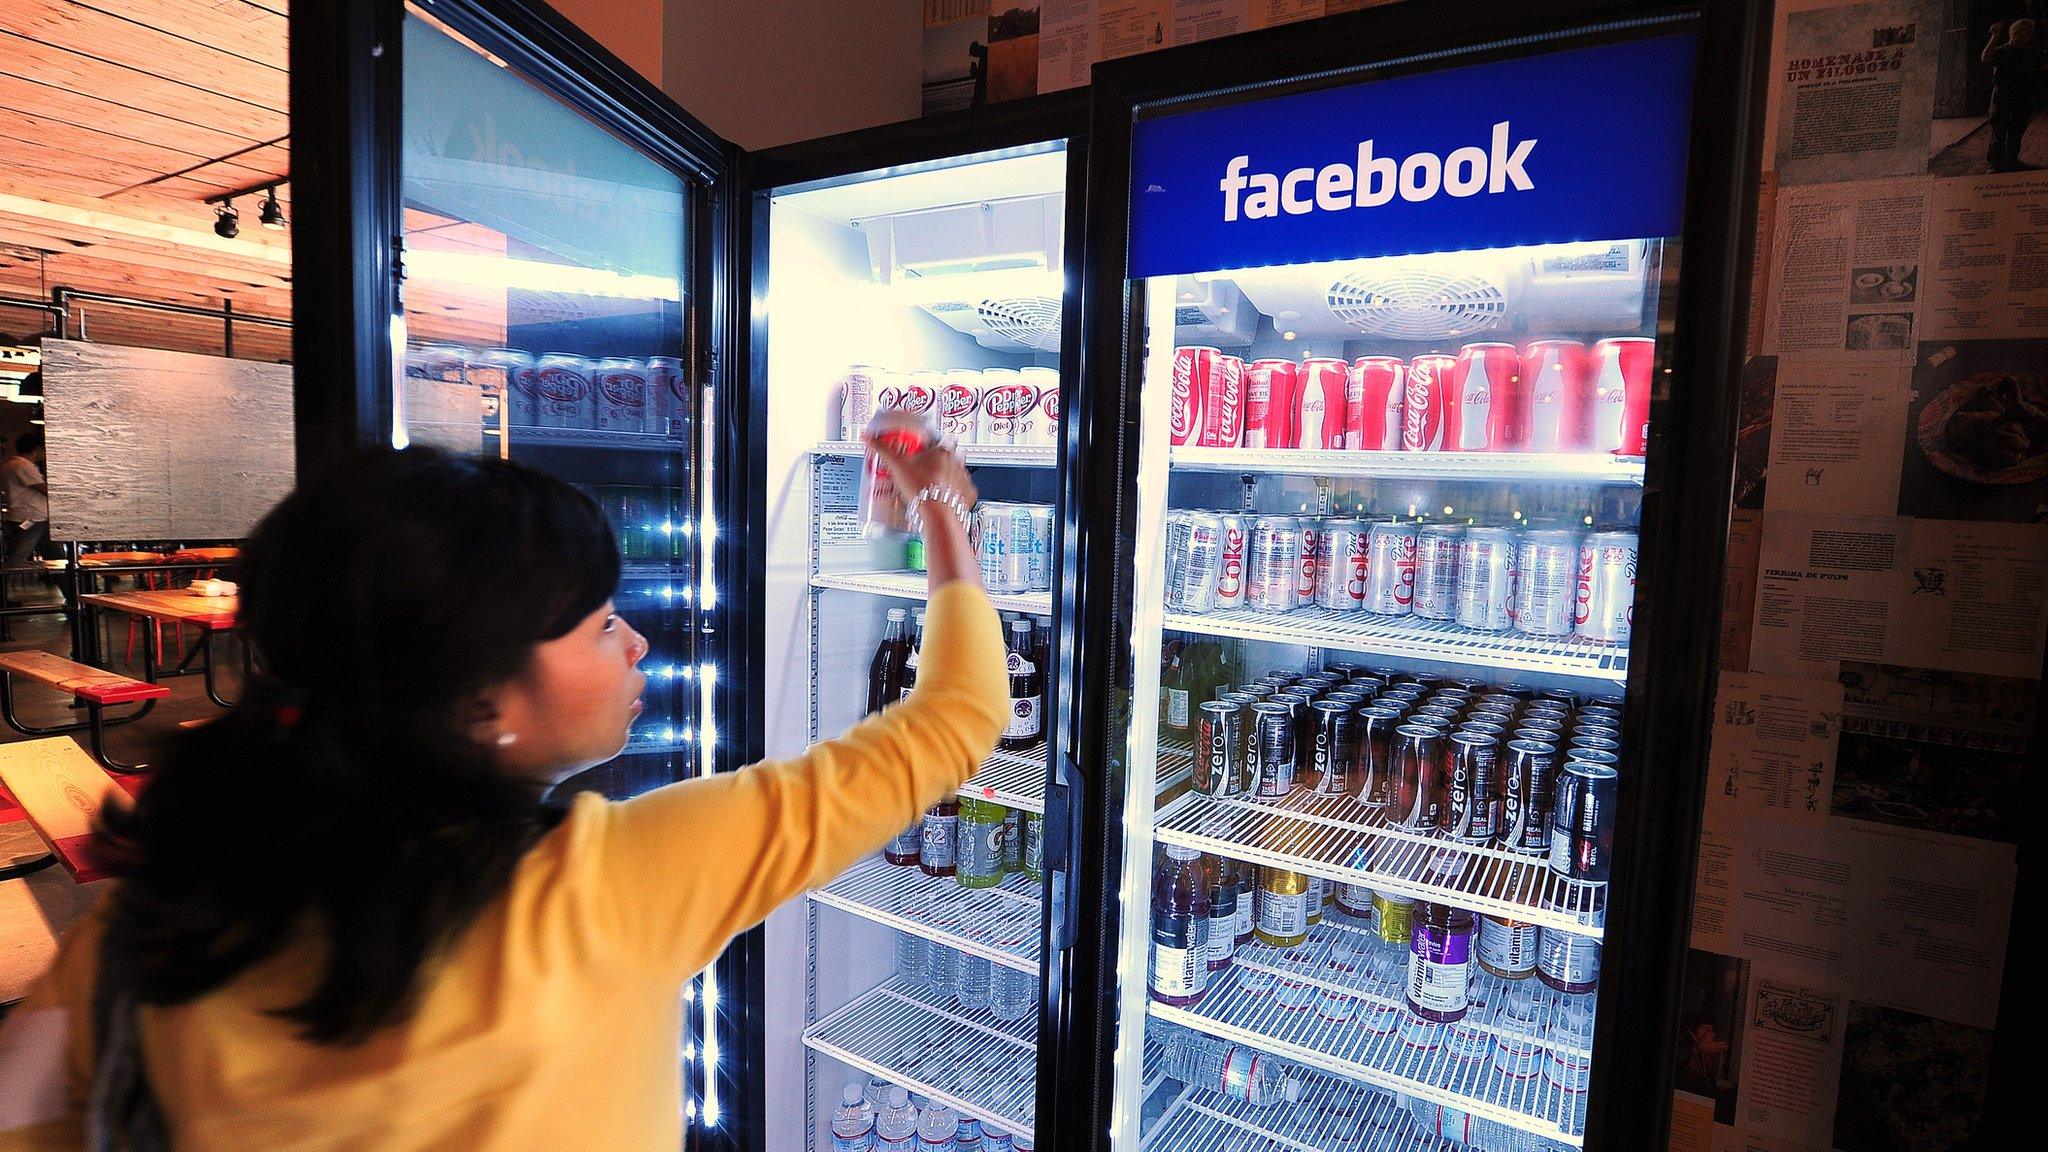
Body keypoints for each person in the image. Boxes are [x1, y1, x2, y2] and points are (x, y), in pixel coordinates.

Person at [0, 441, 1005, 1150]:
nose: (637, 645)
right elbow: (954, 717)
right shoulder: (610, 888)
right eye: (602, 623)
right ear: (480, 702)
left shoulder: (140, 928)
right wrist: (941, 516)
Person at [1984, 19, 2044, 171]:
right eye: (2026, 32)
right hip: (2003, 97)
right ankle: (1995, 164)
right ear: (2014, 33)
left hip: (2022, 98)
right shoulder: (2002, 51)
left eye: (2031, 32)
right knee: (1999, 131)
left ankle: (2012, 161)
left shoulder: (2030, 52)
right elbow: (1986, 58)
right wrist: (1995, 35)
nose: (2029, 36)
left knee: (2016, 131)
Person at [2, 422, 49, 568]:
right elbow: (43, 489)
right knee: (18, 559)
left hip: (26, 517)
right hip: (30, 518)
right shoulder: (23, 466)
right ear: (37, 449)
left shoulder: (8, 465)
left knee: (56, 556)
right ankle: (8, 587)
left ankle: (66, 585)